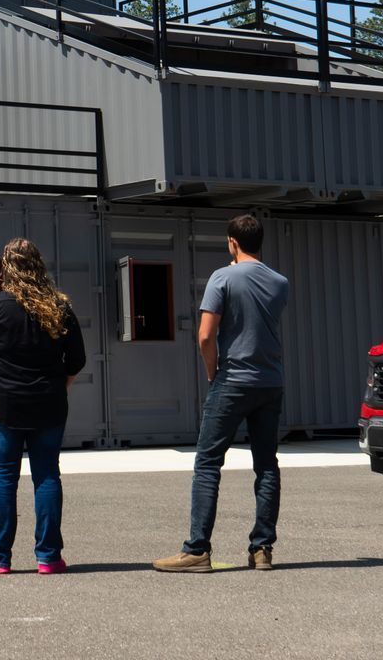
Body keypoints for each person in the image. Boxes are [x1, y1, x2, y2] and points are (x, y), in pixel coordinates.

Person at [155, 213, 291, 573]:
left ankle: (197, 549)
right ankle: (262, 549)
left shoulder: (222, 277)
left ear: (232, 242)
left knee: (208, 464)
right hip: (270, 381)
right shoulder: (280, 282)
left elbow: (205, 335)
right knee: (266, 466)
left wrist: (212, 371)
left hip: (232, 380)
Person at [0, 237, 86, 574]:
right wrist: (61, 387)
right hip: (49, 403)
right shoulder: (59, 306)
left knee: (3, 477)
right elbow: (77, 359)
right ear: (38, 266)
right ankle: (48, 557)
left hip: (4, 402)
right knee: (46, 476)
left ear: (6, 267)